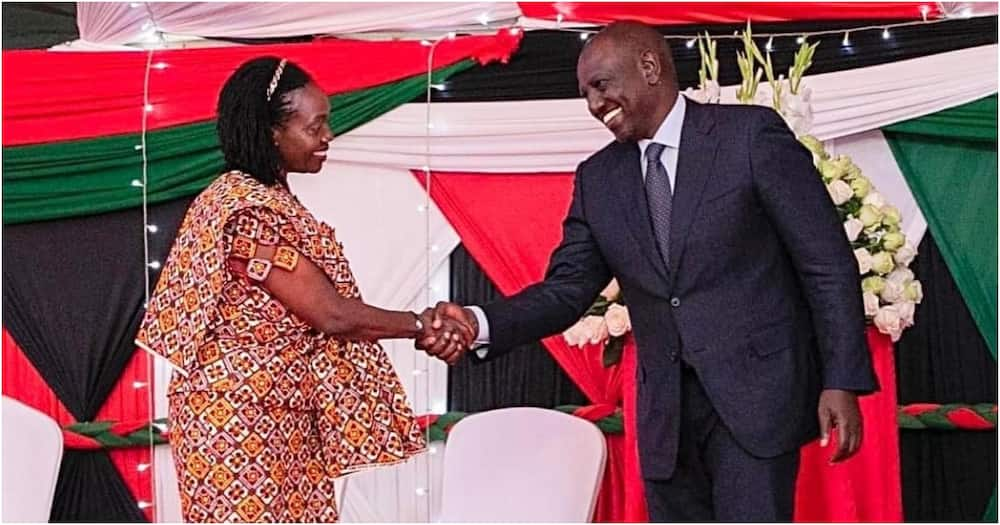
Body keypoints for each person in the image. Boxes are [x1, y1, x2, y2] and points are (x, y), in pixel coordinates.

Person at [420, 22, 878, 522]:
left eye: (601, 85)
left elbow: (825, 261)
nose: (595, 105)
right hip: (665, 420)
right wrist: (480, 322)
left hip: (757, 402)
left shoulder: (748, 136)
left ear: (649, 67)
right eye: (585, 95)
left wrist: (842, 378)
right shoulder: (598, 179)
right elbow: (566, 290)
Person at [136, 56, 472, 523]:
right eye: (315, 127)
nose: (327, 138)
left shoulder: (271, 200)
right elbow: (330, 314)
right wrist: (421, 325)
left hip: (277, 410)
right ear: (272, 132)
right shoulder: (248, 210)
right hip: (238, 418)